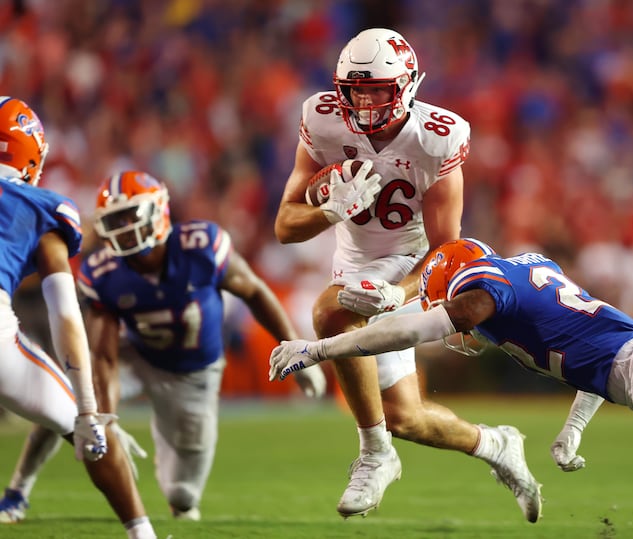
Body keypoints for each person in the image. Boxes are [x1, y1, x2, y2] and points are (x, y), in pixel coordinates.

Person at [270, 237, 633, 537]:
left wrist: (318, 349)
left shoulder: (481, 289)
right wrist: (573, 428)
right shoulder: (525, 271)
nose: (457, 319)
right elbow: (598, 351)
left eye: (443, 300)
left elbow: (414, 329)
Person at [273, 28, 541, 521]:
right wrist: (330, 212)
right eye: (357, 90)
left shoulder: (436, 136)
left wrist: (399, 293)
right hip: (354, 266)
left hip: (412, 268)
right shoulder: (323, 119)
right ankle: (496, 445)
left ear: (408, 85)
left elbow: (448, 249)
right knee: (404, 417)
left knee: (330, 313)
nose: (367, 102)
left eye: (379, 88)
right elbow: (285, 226)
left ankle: (374, 456)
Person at [0, 170, 327, 523]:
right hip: (135, 355)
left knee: (182, 497)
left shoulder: (202, 247)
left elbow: (256, 293)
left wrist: (297, 350)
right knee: (71, 400)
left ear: (159, 211)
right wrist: (102, 417)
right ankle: (18, 490)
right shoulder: (104, 270)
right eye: (114, 220)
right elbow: (103, 356)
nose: (124, 227)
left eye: (131, 215)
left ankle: (175, 489)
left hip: (193, 373)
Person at [0, 97, 157, 538]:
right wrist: (88, 411)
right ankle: (141, 533)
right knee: (86, 428)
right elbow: (66, 314)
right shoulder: (37, 205)